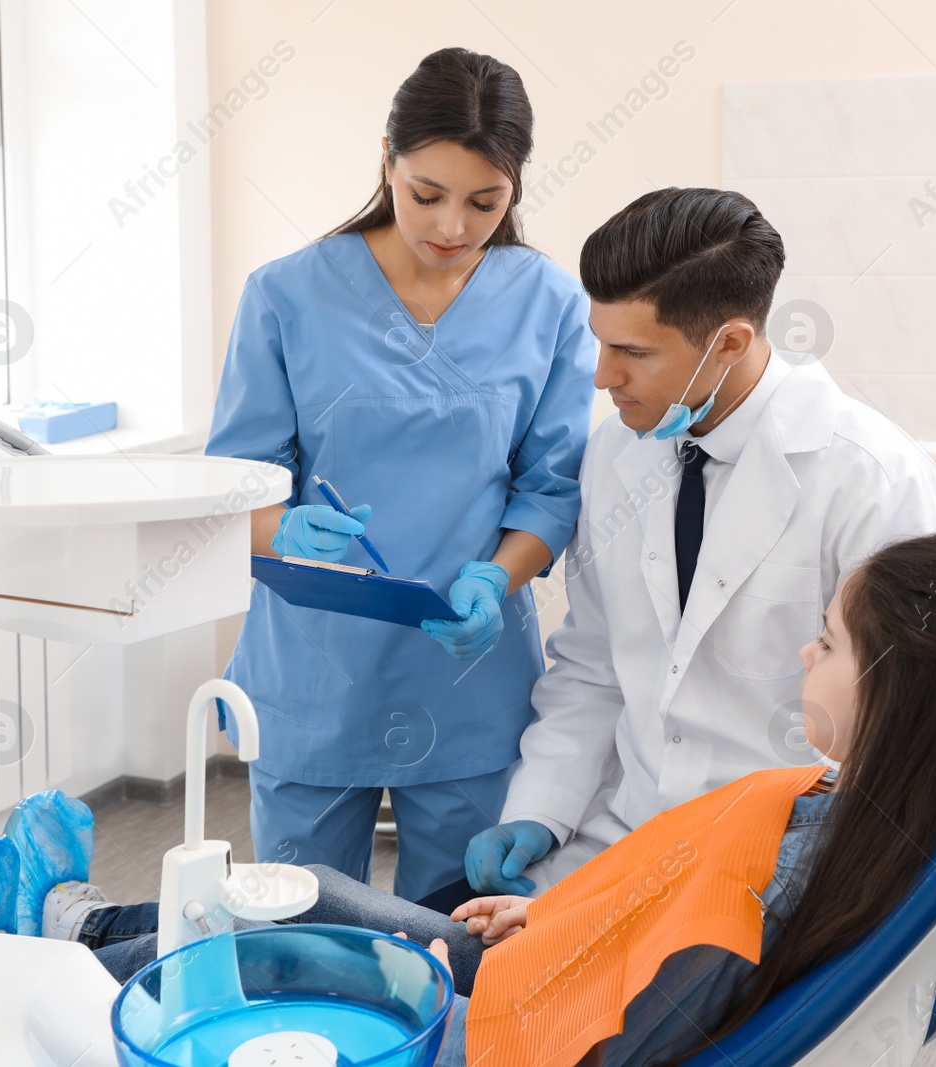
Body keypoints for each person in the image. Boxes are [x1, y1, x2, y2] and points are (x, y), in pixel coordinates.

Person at [0, 531, 936, 1066]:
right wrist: (544, 914)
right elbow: (676, 891)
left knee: (269, 933)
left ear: (890, 689)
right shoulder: (851, 807)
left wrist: (483, 996)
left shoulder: (810, 866)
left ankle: (55, 948)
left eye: (829, 641)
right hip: (539, 961)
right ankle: (81, 918)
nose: (806, 648)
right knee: (314, 884)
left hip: (509, 1027)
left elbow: (652, 1020)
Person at [462, 187, 936, 897]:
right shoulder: (616, 453)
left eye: (632, 352)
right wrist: (541, 808)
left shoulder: (873, 481)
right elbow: (596, 663)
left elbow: (913, 733)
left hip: (779, 863)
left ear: (728, 343)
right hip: (624, 837)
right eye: (599, 343)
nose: (603, 376)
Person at [205, 48, 596, 904]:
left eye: (484, 202)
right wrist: (283, 528)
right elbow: (238, 484)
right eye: (427, 194)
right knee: (299, 923)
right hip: (315, 670)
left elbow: (553, 486)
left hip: (469, 675)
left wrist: (499, 576)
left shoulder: (552, 305)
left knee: (459, 930)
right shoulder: (286, 295)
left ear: (516, 189)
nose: (452, 225)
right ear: (387, 160)